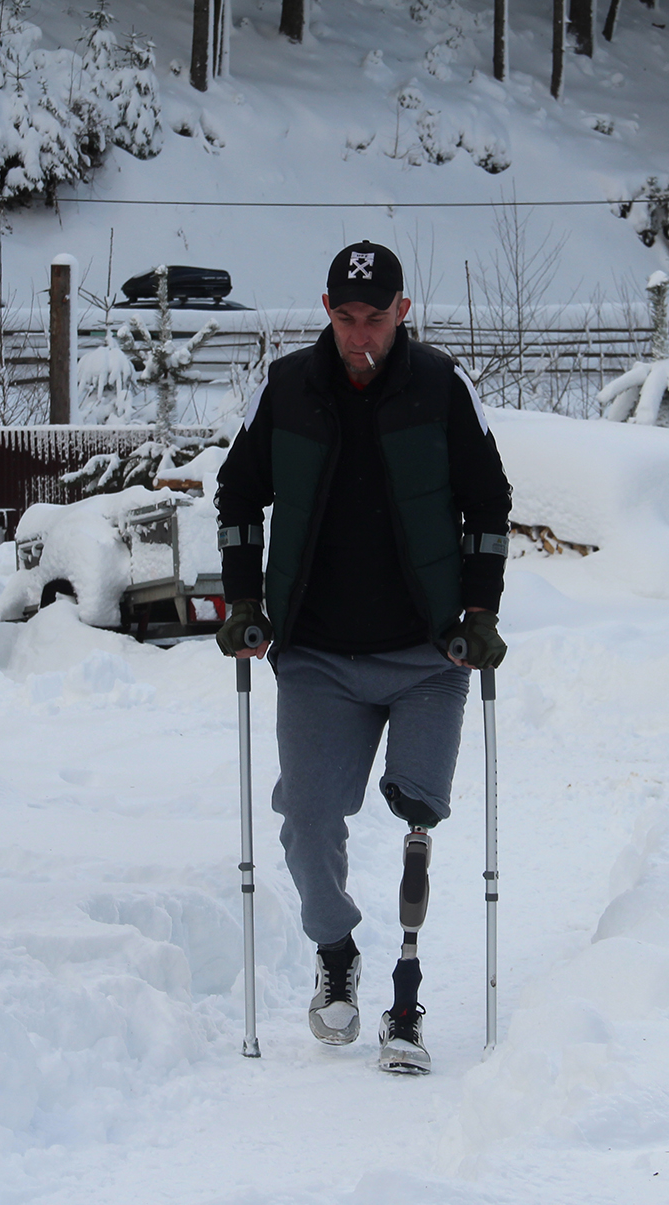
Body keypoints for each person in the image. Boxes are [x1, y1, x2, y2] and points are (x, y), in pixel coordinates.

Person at [214, 241, 512, 1074]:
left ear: (403, 312)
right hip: (315, 650)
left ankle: (407, 993)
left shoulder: (444, 389)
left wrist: (480, 612)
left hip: (426, 652)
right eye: (344, 318)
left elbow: (489, 500)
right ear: (326, 310)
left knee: (419, 814)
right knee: (307, 819)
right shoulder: (286, 390)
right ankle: (336, 949)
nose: (358, 335)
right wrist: (245, 602)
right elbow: (238, 492)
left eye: (374, 317)